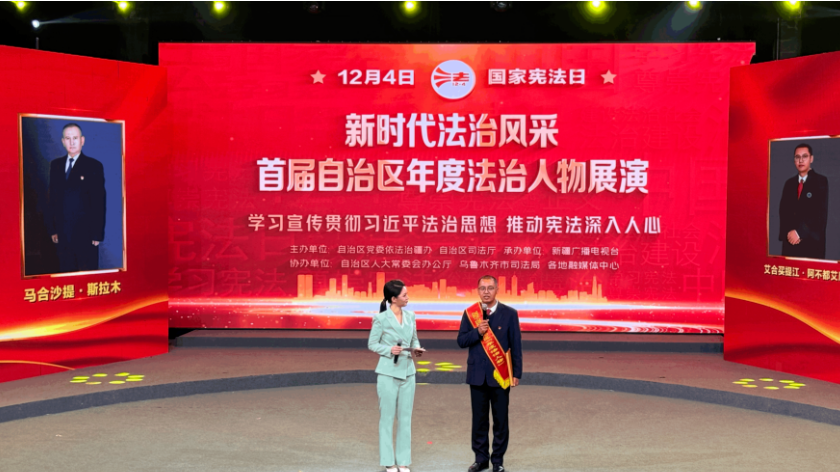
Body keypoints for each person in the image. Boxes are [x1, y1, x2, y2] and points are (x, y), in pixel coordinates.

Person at [457, 275, 523, 472]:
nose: (486, 292)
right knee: (479, 420)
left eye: (490, 288)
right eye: (482, 288)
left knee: (500, 420)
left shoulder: (510, 314)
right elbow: (461, 341)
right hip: (477, 375)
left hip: (501, 375)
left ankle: (497, 461)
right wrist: (477, 332)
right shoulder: (470, 314)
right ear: (478, 290)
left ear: (497, 290)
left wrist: (516, 373)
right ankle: (481, 459)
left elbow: (516, 345)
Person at [368, 279, 425, 472]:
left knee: (405, 418)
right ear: (393, 299)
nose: (408, 298)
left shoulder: (411, 316)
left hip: (408, 372)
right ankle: (388, 462)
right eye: (404, 295)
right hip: (388, 373)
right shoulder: (380, 319)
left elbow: (414, 339)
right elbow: (372, 344)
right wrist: (388, 349)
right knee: (387, 418)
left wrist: (416, 349)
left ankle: (403, 462)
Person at [46, 123, 106, 272]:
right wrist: (52, 229)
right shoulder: (56, 165)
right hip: (62, 232)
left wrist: (97, 234)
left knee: (86, 275)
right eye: (68, 138)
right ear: (63, 141)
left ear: (82, 140)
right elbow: (52, 199)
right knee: (65, 273)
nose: (71, 142)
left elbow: (99, 201)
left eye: (75, 138)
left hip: (86, 233)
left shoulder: (94, 166)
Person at [779, 143, 828, 259]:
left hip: (811, 243)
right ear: (794, 160)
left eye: (805, 156)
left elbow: (820, 214)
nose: (801, 160)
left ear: (811, 158)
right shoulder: (789, 183)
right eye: (797, 157)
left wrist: (799, 233)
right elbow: (783, 212)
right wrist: (789, 234)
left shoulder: (821, 181)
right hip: (790, 242)